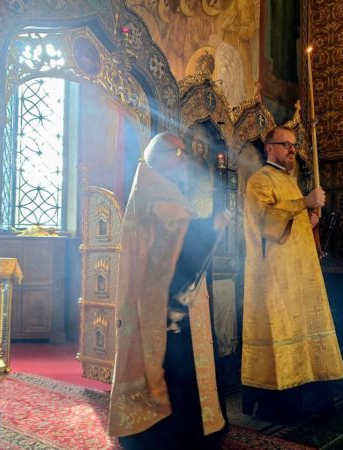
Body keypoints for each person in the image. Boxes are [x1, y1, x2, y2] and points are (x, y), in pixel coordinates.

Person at [108, 132, 229, 449]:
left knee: (182, 363)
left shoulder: (158, 186)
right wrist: (211, 226)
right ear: (158, 156)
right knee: (173, 365)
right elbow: (176, 238)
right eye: (178, 154)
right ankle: (172, 437)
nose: (184, 160)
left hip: (172, 292)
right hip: (162, 299)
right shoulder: (154, 189)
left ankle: (189, 431)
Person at [241, 126, 343, 421]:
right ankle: (279, 408)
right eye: (285, 144)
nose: (292, 150)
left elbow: (292, 226)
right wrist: (304, 203)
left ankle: (310, 403)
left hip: (299, 278)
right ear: (269, 148)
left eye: (294, 145)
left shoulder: (290, 182)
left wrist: (309, 220)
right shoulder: (260, 180)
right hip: (275, 279)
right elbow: (265, 222)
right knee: (279, 336)